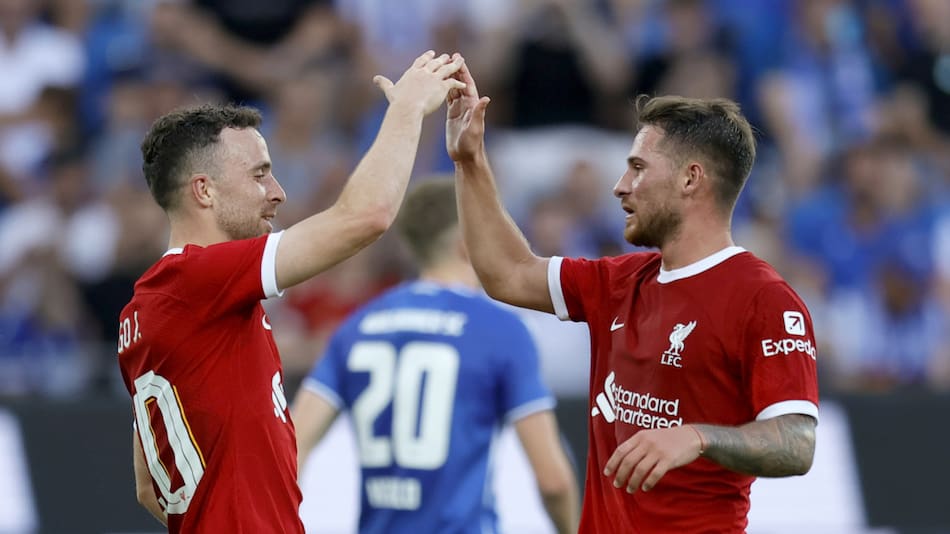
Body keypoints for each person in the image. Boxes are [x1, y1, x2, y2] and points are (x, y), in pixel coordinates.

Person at [445, 61, 819, 532]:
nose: (620, 186)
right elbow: (509, 274)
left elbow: (797, 441)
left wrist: (699, 437)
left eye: (638, 168)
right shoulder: (621, 281)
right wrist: (470, 160)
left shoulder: (765, 300)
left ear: (690, 179)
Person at [116, 50, 466, 533]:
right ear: (204, 191)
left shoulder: (147, 306)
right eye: (260, 174)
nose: (277, 191)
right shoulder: (198, 279)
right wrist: (406, 110)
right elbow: (366, 218)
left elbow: (146, 485)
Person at [291, 178, 580, 534]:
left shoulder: (356, 327)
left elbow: (292, 445)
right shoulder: (501, 330)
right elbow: (553, 481)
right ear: (466, 242)